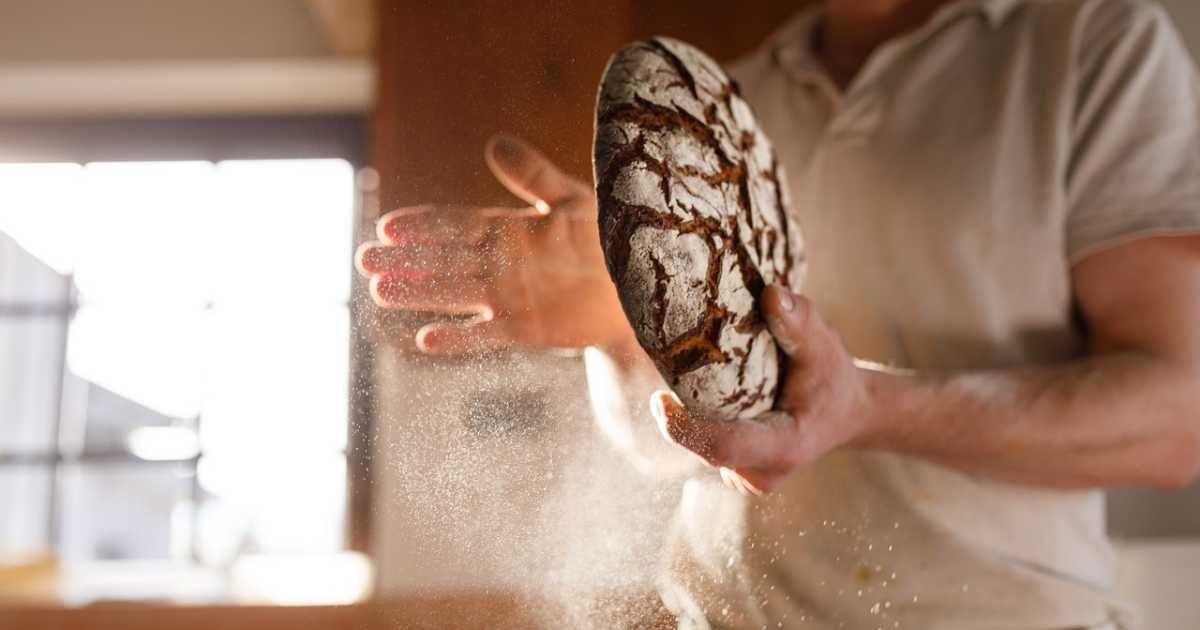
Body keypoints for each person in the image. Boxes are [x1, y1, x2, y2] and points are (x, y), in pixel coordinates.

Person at [356, 0, 1200, 627]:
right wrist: (619, 326)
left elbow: (1176, 423)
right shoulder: (722, 104)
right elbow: (686, 448)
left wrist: (868, 408)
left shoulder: (1091, 46)